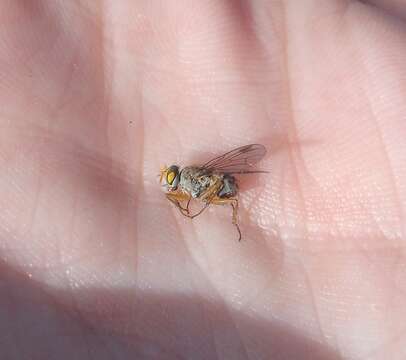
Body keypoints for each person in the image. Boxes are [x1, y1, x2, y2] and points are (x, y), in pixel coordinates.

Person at [0, 1, 404, 358]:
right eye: (172, 178)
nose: (171, 182)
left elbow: (219, 176)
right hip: (215, 186)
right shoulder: (183, 184)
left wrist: (210, 194)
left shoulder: (197, 182)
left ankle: (226, 208)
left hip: (222, 185)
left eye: (172, 178)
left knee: (218, 193)